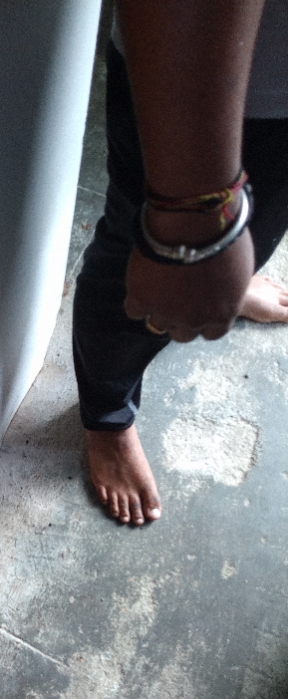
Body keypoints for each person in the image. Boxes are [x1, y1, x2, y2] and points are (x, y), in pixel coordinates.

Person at [73, 0, 288, 525]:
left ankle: (230, 276)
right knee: (139, 262)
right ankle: (106, 416)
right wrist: (194, 221)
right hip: (210, 80)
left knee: (258, 231)